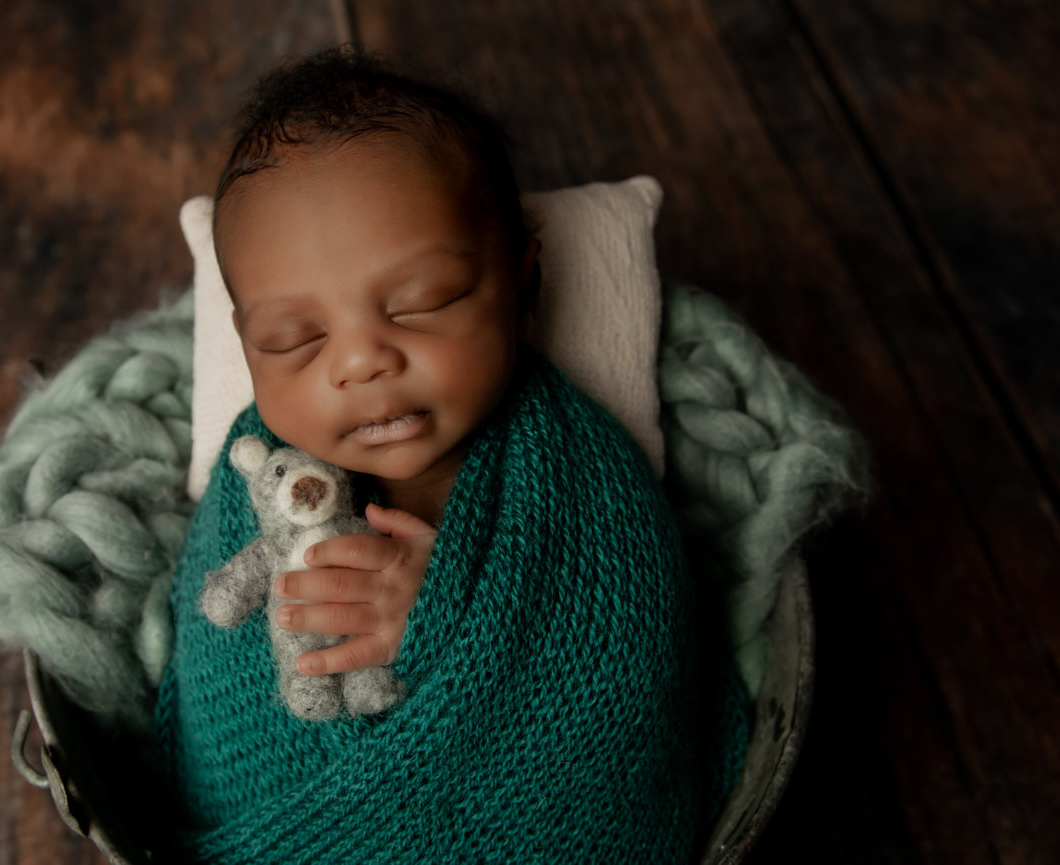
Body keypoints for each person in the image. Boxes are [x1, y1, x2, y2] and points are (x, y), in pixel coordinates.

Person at [155, 46, 747, 864]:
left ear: (523, 286)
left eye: (423, 301)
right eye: (297, 339)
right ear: (247, 347)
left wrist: (450, 611)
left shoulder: (580, 474)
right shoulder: (250, 481)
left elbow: (632, 657)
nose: (360, 362)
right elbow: (217, 681)